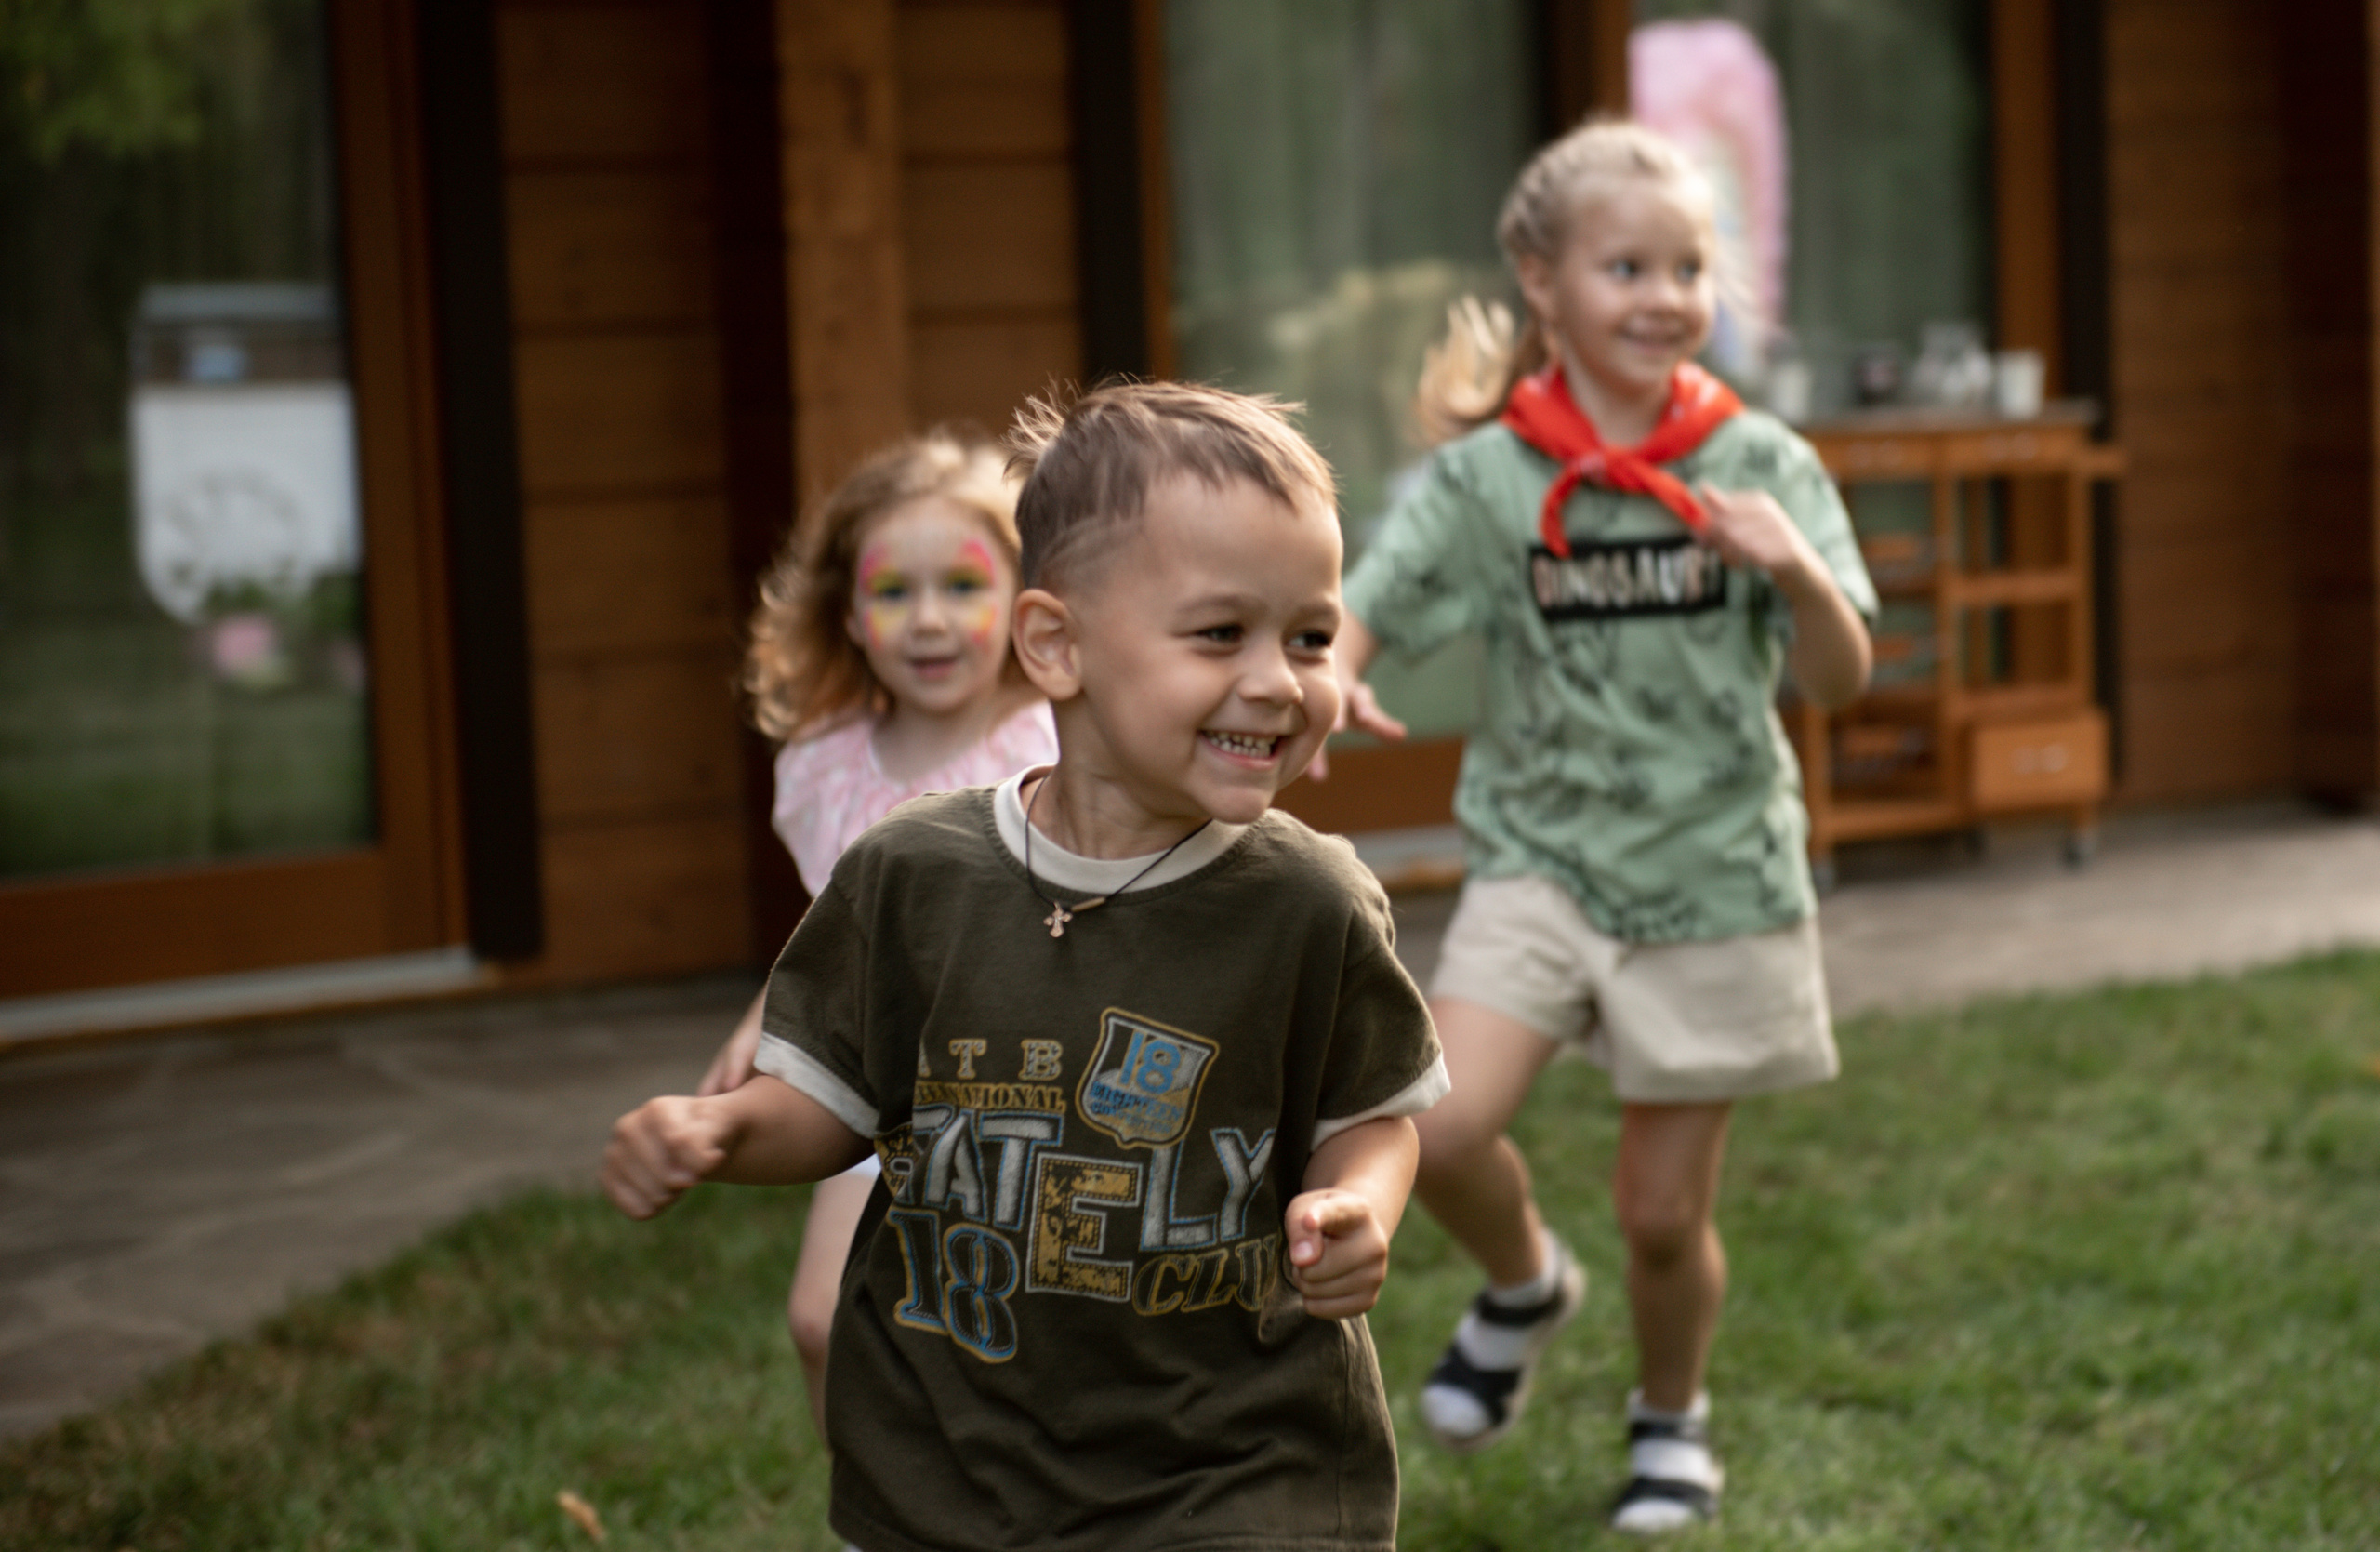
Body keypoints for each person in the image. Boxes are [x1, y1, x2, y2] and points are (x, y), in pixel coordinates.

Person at [603, 381, 1448, 1552]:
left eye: (1309, 635)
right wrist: (722, 1134)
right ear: (1056, 642)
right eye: (1221, 633)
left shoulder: (1307, 901)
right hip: (955, 1464)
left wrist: (1358, 1201)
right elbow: (832, 1106)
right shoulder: (913, 874)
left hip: (1239, 1462)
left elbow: (1371, 1111)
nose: (1279, 679)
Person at [1333, 117, 1877, 1534]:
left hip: (1716, 878)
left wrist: (1796, 571)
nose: (1663, 294)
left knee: (1658, 1212)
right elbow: (1366, 604)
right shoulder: (1487, 478)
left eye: (1688, 266)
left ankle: (1669, 1414)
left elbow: (1839, 678)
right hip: (1542, 865)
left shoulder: (1760, 459)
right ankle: (1523, 1284)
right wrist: (1330, 674)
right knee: (1435, 1124)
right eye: (1626, 264)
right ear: (1541, 279)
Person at [698, 427, 1057, 1441]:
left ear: (1026, 600)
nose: (930, 620)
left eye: (964, 585)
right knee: (823, 1319)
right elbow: (838, 923)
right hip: (883, 1094)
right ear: (849, 613)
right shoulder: (826, 766)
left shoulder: (1053, 740)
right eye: (895, 591)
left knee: (1011, 1346)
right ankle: (872, 1518)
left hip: (1027, 1094)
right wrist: (767, 1011)